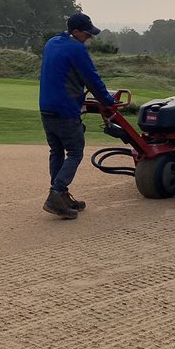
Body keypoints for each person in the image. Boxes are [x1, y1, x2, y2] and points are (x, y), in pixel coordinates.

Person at [39, 12, 115, 219]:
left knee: (56, 150)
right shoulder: (76, 48)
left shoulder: (52, 43)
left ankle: (60, 195)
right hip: (65, 109)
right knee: (75, 152)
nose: (90, 37)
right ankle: (56, 194)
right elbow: (92, 78)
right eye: (87, 33)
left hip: (46, 107)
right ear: (75, 32)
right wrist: (108, 101)